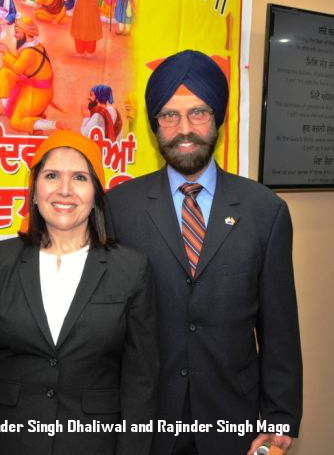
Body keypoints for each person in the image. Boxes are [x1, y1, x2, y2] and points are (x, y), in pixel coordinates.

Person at [105, 50, 302, 455]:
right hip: (144, 425)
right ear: (154, 125)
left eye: (198, 113)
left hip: (234, 423)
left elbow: (279, 328)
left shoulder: (265, 211)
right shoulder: (118, 208)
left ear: (218, 119)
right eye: (169, 116)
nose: (184, 129)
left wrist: (279, 417)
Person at [0, 130, 158, 455]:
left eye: (79, 177)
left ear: (96, 193)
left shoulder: (131, 269)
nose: (64, 190)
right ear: (34, 191)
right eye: (51, 176)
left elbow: (141, 383)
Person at [0, 16, 62, 134]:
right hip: (31, 87)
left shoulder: (29, 52)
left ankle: (53, 124)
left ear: (26, 33)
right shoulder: (34, 46)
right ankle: (7, 107)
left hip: (38, 94)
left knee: (15, 122)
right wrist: (6, 52)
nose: (15, 35)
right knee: (5, 73)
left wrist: (4, 51)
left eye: (17, 32)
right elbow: (18, 66)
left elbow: (16, 68)